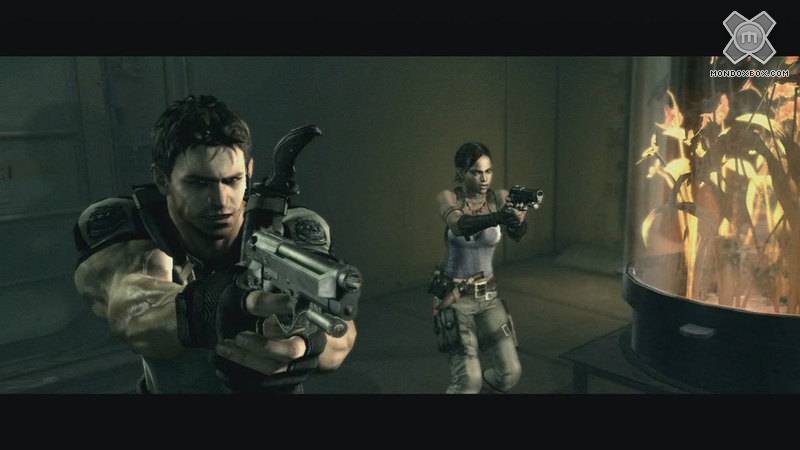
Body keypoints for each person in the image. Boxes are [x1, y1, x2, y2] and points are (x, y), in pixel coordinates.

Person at [72, 95, 356, 393]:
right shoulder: (135, 226)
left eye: (232, 181)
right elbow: (133, 313)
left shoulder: (289, 228)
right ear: (162, 179)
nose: (220, 201)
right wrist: (213, 309)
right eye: (198, 183)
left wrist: (310, 339)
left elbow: (341, 332)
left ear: (249, 172)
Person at [433, 142, 530, 394]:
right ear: (461, 172)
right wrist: (499, 217)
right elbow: (459, 226)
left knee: (510, 373)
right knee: (469, 381)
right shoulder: (449, 198)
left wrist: (518, 220)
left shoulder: (499, 198)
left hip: (488, 296)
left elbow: (517, 235)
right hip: (454, 297)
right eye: (476, 172)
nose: (484, 178)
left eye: (488, 171)